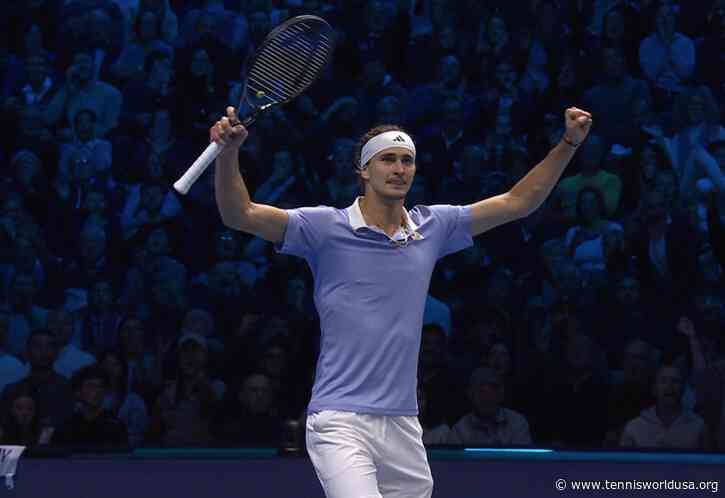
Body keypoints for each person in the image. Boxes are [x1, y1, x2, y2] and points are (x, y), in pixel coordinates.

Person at [210, 104, 592, 498]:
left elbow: (518, 202)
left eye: (407, 160)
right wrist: (228, 153)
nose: (399, 168)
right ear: (363, 170)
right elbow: (240, 213)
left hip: (403, 425)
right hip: (339, 421)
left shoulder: (433, 227)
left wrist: (568, 143)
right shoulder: (324, 227)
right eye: (388, 159)